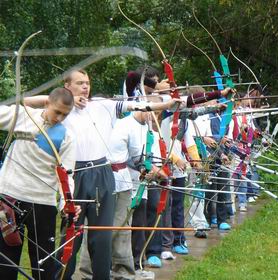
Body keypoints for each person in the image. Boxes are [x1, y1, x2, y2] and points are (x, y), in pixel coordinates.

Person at [24, 69, 181, 280]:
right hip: (74, 175)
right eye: (79, 83)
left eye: (87, 82)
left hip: (102, 173)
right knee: (71, 235)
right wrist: (65, 99)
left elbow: (139, 105)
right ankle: (61, 277)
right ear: (67, 86)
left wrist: (165, 104)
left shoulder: (102, 105)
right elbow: (25, 102)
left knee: (102, 236)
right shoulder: (60, 108)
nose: (85, 87)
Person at [0, 88, 79, 280]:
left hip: (43, 202)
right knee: (5, 263)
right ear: (47, 104)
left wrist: (66, 205)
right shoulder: (24, 117)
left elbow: (66, 176)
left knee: (43, 264)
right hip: (9, 198)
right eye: (57, 111)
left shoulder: (66, 137)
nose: (59, 118)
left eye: (65, 114)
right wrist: (32, 100)